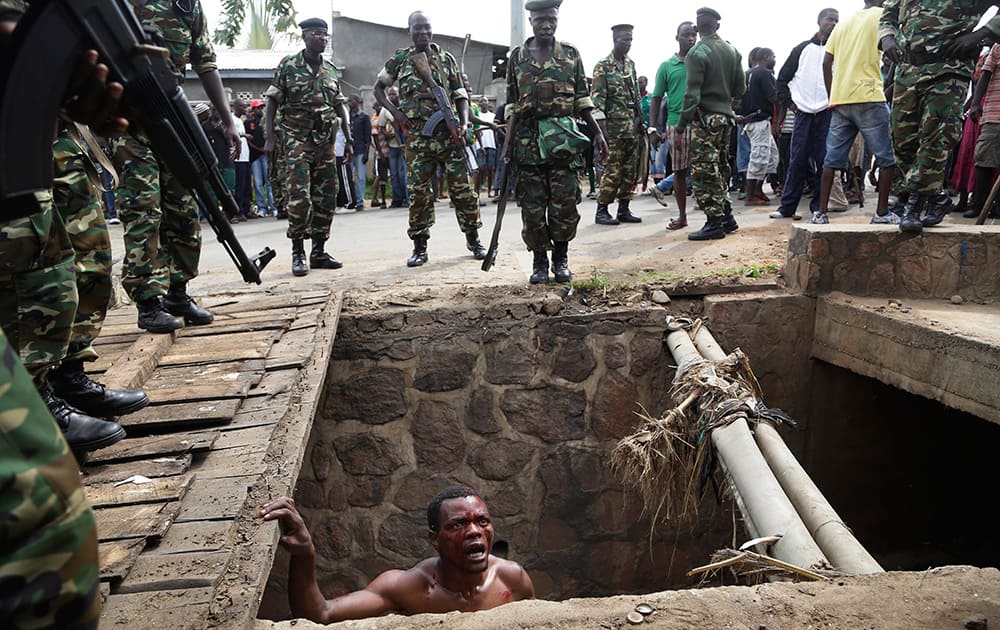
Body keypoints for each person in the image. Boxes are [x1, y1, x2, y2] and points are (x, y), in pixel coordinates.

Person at [111, 0, 234, 333]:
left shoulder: (188, 4)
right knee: (143, 208)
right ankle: (148, 301)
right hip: (129, 119)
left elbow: (206, 63)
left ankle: (178, 293)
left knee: (182, 205)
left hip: (170, 115)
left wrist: (227, 120)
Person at [259, 486, 534, 623]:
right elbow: (320, 613)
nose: (475, 531)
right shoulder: (407, 587)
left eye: (482, 521)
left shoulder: (512, 579)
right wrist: (305, 554)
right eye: (458, 525)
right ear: (434, 540)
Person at [373, 11, 487, 268]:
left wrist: (465, 123)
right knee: (419, 194)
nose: (423, 33)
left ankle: (474, 239)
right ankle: (419, 247)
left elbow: (461, 95)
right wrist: (397, 113)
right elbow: (378, 89)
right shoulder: (400, 60)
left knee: (463, 191)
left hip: (449, 136)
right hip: (418, 138)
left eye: (427, 28)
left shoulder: (446, 60)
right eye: (418, 29)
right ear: (409, 30)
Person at [506, 0, 608, 283]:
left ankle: (560, 259)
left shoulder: (571, 55)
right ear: (531, 21)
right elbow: (511, 104)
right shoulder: (517, 58)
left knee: (564, 205)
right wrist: (508, 147)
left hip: (563, 143)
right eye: (541, 20)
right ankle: (539, 262)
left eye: (552, 19)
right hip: (528, 144)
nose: (547, 25)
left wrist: (597, 132)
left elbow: (583, 99)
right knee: (533, 208)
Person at [880, 0, 1000, 232]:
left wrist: (981, 34)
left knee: (935, 135)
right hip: (908, 68)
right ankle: (933, 195)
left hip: (949, 69)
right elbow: (889, 13)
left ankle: (915, 203)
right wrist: (887, 38)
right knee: (902, 137)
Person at [264, 17, 352, 277]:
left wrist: (347, 137)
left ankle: (319, 251)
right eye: (317, 34)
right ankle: (298, 251)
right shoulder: (288, 65)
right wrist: (269, 137)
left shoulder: (330, 69)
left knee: (326, 196)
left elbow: (339, 105)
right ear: (304, 37)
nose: (322, 39)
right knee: (300, 196)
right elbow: (271, 102)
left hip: (324, 141)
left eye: (325, 35)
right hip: (296, 139)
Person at [815, 0, 897, 226]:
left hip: (841, 99)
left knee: (832, 160)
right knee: (886, 158)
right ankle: (881, 213)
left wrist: (833, 95)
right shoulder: (884, 15)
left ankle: (821, 213)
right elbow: (892, 48)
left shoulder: (844, 23)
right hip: (869, 95)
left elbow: (826, 61)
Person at [676, 7, 744, 241]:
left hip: (706, 120)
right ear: (717, 26)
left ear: (697, 27)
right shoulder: (732, 51)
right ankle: (727, 217)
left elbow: (692, 95)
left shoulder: (697, 53)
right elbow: (740, 90)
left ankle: (714, 223)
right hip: (726, 119)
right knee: (721, 168)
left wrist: (681, 124)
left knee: (705, 171)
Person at [771, 8, 841, 222]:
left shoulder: (839, 50)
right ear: (820, 21)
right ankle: (787, 207)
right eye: (830, 19)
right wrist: (792, 105)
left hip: (826, 113)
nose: (834, 24)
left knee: (824, 161)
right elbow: (782, 80)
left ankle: (817, 208)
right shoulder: (802, 49)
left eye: (837, 21)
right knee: (797, 160)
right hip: (803, 114)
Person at [592, 24, 644, 226]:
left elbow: (637, 97)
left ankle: (624, 208)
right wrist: (602, 134)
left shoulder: (630, 65)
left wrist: (639, 122)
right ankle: (602, 210)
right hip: (612, 130)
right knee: (612, 171)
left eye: (631, 39)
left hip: (631, 128)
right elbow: (597, 103)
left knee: (630, 171)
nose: (628, 43)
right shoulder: (603, 66)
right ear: (615, 40)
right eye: (625, 39)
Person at [650, 21, 698, 231]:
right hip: (676, 124)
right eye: (686, 35)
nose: (691, 38)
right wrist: (653, 128)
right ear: (677, 37)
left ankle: (715, 217)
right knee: (679, 171)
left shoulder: (701, 62)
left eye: (693, 35)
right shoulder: (666, 66)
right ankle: (681, 216)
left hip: (701, 123)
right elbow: (657, 98)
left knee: (706, 169)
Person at [740, 47, 780, 206]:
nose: (774, 60)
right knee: (759, 157)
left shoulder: (746, 74)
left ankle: (757, 188)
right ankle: (750, 195)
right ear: (765, 57)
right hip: (759, 121)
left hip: (752, 120)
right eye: (773, 57)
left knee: (771, 156)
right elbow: (772, 97)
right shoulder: (764, 73)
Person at [966, 43, 1000, 220]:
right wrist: (976, 103)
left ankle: (998, 206)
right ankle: (978, 204)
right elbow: (984, 77)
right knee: (984, 160)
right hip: (994, 114)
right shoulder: (997, 47)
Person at [377, 87, 410, 209]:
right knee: (394, 175)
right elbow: (380, 126)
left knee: (403, 174)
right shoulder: (386, 109)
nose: (391, 96)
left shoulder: (404, 106)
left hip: (404, 145)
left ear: (398, 94)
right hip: (392, 145)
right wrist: (385, 134)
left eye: (394, 94)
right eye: (389, 94)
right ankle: (397, 200)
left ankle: (407, 199)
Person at [246, 99, 278, 216]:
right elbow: (248, 140)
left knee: (269, 182)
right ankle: (262, 208)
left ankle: (273, 207)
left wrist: (267, 150)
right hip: (255, 157)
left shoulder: (266, 121)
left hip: (266, 155)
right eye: (258, 108)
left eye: (261, 107)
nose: (260, 110)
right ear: (253, 110)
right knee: (258, 184)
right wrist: (259, 149)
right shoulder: (248, 123)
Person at [232, 98, 255, 219]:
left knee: (247, 185)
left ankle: (247, 210)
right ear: (235, 107)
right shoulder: (232, 119)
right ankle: (239, 211)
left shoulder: (241, 121)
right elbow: (231, 134)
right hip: (238, 158)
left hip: (246, 157)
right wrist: (244, 135)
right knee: (239, 185)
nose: (245, 109)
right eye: (242, 106)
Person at [349, 95, 371, 211]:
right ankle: (352, 200)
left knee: (361, 177)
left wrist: (367, 153)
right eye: (348, 101)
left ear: (357, 102)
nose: (349, 103)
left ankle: (360, 201)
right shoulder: (348, 117)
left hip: (361, 150)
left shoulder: (364, 117)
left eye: (352, 101)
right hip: (349, 151)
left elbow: (368, 136)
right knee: (350, 177)